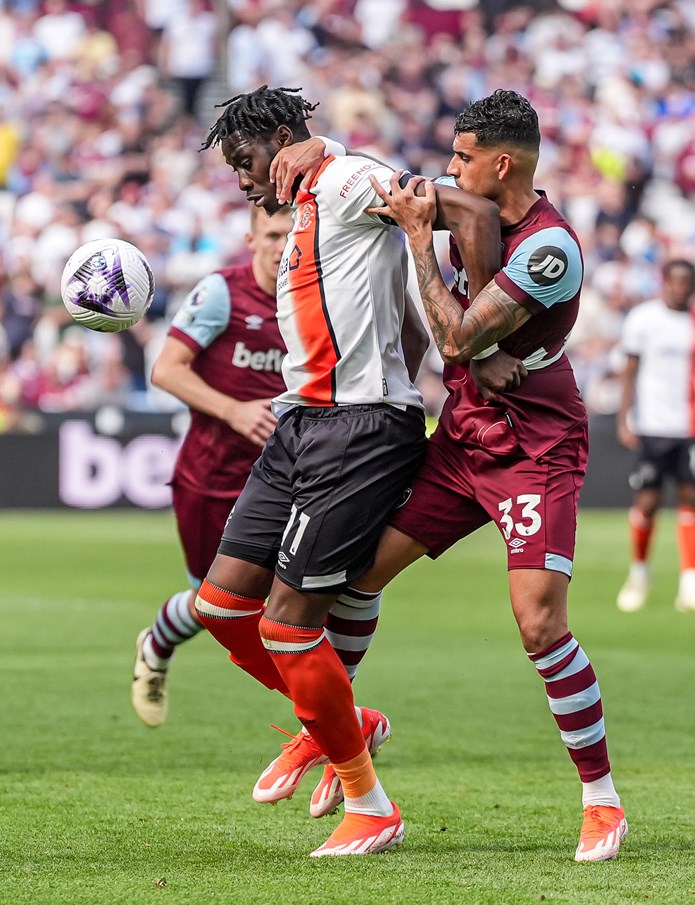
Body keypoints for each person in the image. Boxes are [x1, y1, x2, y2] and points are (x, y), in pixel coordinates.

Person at [267, 89, 628, 862]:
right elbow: (383, 187)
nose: (449, 168)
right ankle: (334, 728)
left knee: (538, 624)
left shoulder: (549, 249)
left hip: (532, 443)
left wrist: (421, 251)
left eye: (462, 157)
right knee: (357, 579)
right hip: (463, 434)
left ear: (500, 164)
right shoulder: (470, 208)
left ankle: (601, 799)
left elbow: (456, 335)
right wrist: (322, 146)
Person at [192, 85, 502, 857]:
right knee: (220, 606)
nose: (240, 178)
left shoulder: (345, 180)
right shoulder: (306, 202)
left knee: (287, 625)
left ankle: (371, 805)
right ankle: (341, 719)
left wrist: (483, 338)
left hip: (357, 428)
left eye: (243, 159)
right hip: (300, 420)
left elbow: (471, 212)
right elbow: (396, 316)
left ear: (279, 137)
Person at [131, 204, 290, 727]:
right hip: (213, 478)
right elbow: (166, 370)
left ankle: (327, 718)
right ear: (251, 239)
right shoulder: (222, 292)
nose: (282, 246)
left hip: (288, 479)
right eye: (272, 235)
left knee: (301, 597)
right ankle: (156, 644)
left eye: (292, 235)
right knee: (214, 602)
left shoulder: (316, 297)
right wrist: (234, 410)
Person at [615, 258, 695, 614]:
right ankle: (639, 574)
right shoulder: (643, 320)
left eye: (687, 283)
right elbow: (629, 373)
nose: (681, 288)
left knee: (692, 497)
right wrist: (624, 420)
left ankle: (692, 585)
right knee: (647, 501)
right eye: (676, 281)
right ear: (665, 282)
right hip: (653, 426)